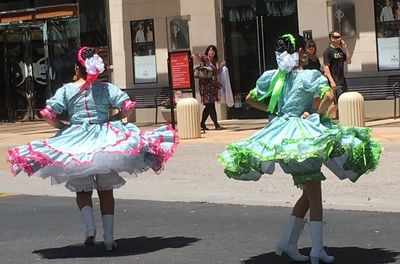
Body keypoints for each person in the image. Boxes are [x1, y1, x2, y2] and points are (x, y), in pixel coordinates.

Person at [219, 34, 381, 264]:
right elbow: (327, 95)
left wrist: (276, 110)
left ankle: (288, 242)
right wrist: (318, 114)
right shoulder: (308, 76)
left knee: (308, 192)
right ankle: (317, 249)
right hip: (303, 137)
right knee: (315, 196)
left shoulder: (274, 78)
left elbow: (251, 98)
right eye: (306, 49)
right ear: (302, 53)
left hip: (283, 136)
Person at [7, 47, 178, 251]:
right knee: (106, 190)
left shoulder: (67, 90)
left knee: (83, 189)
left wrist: (63, 127)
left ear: (77, 69)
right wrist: (114, 119)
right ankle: (109, 238)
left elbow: (48, 114)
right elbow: (127, 107)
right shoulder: (105, 88)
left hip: (76, 141)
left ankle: (89, 229)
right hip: (106, 138)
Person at [193, 45, 225, 131]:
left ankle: (202, 123)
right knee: (210, 105)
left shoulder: (214, 62)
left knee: (209, 106)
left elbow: (215, 73)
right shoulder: (205, 58)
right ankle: (216, 124)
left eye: (214, 51)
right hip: (205, 86)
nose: (212, 52)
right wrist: (195, 53)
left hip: (211, 86)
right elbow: (195, 55)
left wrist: (221, 67)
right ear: (207, 51)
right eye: (211, 50)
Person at [323, 30, 352, 118]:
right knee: (337, 103)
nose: (338, 38)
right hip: (334, 80)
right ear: (331, 39)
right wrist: (331, 81)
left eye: (339, 37)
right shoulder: (328, 51)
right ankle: (324, 118)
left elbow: (349, 61)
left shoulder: (340, 51)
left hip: (342, 79)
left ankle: (327, 117)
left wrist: (345, 48)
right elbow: (326, 67)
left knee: (343, 101)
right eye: (336, 37)